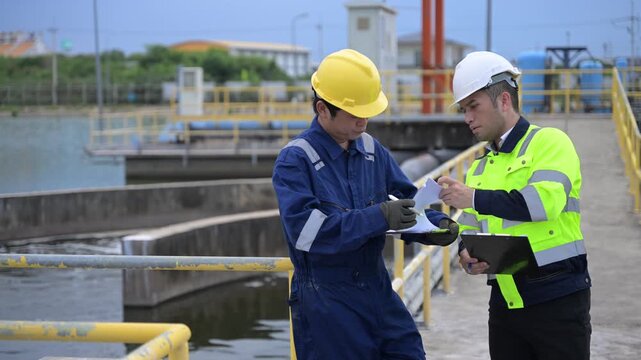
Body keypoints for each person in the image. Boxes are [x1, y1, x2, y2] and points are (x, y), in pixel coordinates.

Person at [272, 48, 459, 359]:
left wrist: (436, 227)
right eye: (355, 114)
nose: (364, 121)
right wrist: (380, 216)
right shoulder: (295, 160)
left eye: (368, 111)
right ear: (322, 109)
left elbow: (407, 201)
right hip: (327, 302)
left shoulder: (372, 149)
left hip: (377, 289)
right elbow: (306, 235)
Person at [438, 51, 591, 360]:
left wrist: (474, 197)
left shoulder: (549, 143)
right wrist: (465, 255)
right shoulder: (480, 167)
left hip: (558, 301)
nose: (467, 118)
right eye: (464, 109)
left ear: (504, 100)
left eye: (473, 106)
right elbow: (470, 225)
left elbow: (542, 204)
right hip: (506, 304)